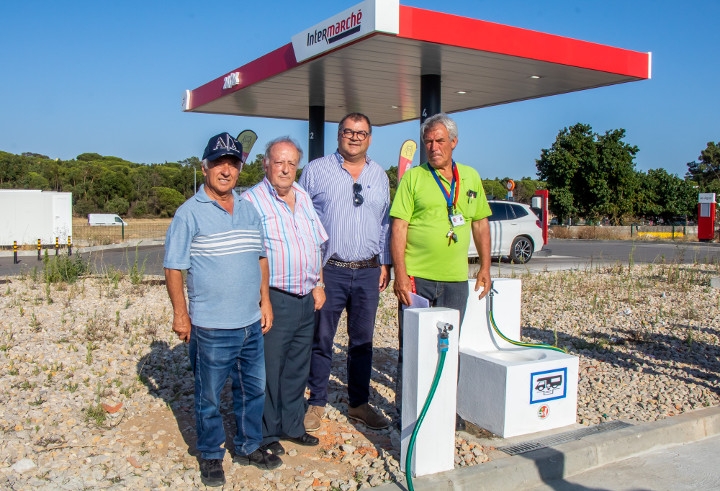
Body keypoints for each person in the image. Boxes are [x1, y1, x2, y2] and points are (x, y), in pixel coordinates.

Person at [163, 132, 281, 488]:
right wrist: (181, 314)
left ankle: (248, 445)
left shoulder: (248, 208)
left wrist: (266, 300)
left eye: (232, 163)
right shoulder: (189, 214)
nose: (226, 170)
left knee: (252, 390)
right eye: (218, 163)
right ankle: (211, 455)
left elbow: (260, 257)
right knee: (209, 396)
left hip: (250, 322)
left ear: (240, 168)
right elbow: (173, 268)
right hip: (212, 327)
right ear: (205, 167)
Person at [389, 113, 492, 430]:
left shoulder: (471, 177)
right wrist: (401, 274)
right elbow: (399, 227)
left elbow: (480, 223)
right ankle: (408, 410)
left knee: (448, 346)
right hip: (418, 279)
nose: (433, 147)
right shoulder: (414, 178)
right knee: (412, 346)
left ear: (454, 142)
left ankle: (446, 410)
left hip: (455, 281)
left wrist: (485, 267)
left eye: (440, 140)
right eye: (428, 141)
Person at [299, 112, 392, 431]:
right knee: (321, 338)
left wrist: (385, 262)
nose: (354, 137)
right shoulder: (315, 171)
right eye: (348, 132)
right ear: (338, 135)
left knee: (362, 341)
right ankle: (316, 402)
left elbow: (384, 224)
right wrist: (313, 272)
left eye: (361, 133)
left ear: (369, 138)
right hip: (330, 271)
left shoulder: (380, 175)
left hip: (368, 271)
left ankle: (358, 403)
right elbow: (303, 220)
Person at [241, 137, 329, 456]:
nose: (285, 169)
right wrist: (262, 300)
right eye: (279, 162)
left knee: (296, 367)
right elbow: (248, 255)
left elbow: (316, 243)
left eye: (291, 163)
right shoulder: (251, 201)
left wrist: (318, 283)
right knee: (269, 368)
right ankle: (266, 432)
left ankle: (292, 425)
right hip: (274, 297)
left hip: (305, 297)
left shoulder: (303, 197)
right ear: (266, 164)